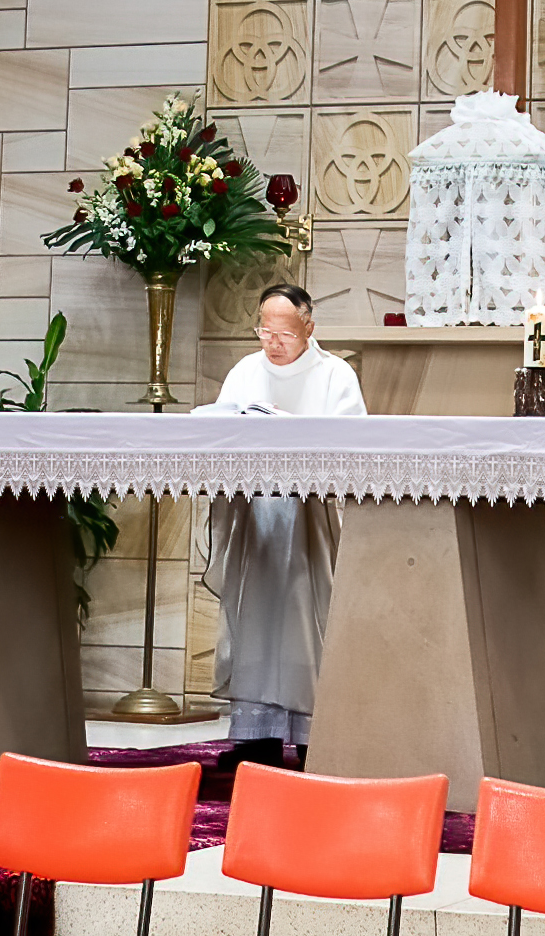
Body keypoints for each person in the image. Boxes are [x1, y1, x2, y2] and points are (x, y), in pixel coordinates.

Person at [203, 283, 366, 768]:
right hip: (257, 519)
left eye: (285, 334)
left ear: (309, 328)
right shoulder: (244, 372)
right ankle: (256, 738)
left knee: (305, 623)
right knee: (254, 620)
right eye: (264, 332)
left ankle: (315, 736)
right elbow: (219, 432)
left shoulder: (335, 375)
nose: (273, 343)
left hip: (309, 521)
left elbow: (355, 445)